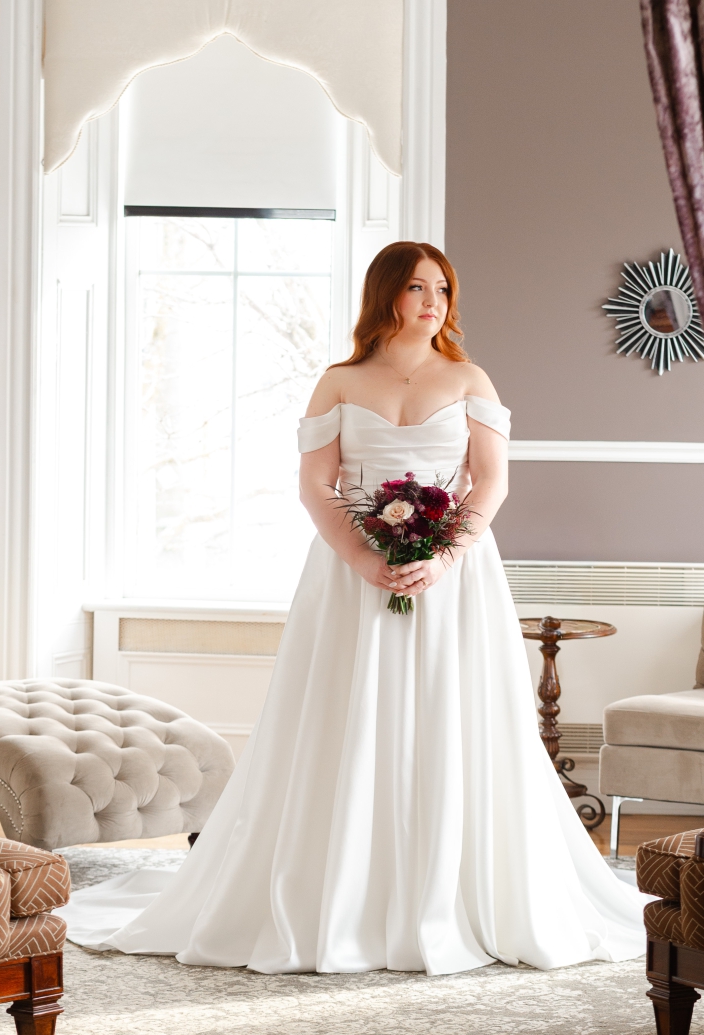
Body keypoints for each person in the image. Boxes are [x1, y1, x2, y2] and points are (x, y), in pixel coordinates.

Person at [58, 241, 647, 975]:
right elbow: (317, 485)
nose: (433, 301)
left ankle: (452, 890)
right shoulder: (338, 381)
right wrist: (369, 559)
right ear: (386, 296)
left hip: (454, 580)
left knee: (450, 714)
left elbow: (490, 484)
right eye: (416, 288)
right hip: (348, 575)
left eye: (442, 288)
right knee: (345, 715)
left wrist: (440, 556)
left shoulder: (469, 377)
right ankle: (340, 893)